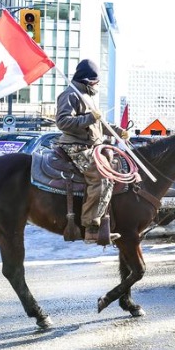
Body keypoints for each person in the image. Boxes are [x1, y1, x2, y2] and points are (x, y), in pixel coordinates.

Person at [56, 59, 129, 244]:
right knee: (101, 176)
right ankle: (91, 228)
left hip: (91, 145)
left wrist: (118, 131)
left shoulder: (87, 97)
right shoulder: (70, 95)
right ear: (88, 80)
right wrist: (89, 117)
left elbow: (98, 124)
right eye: (96, 80)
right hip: (76, 146)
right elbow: (63, 122)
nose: (98, 84)